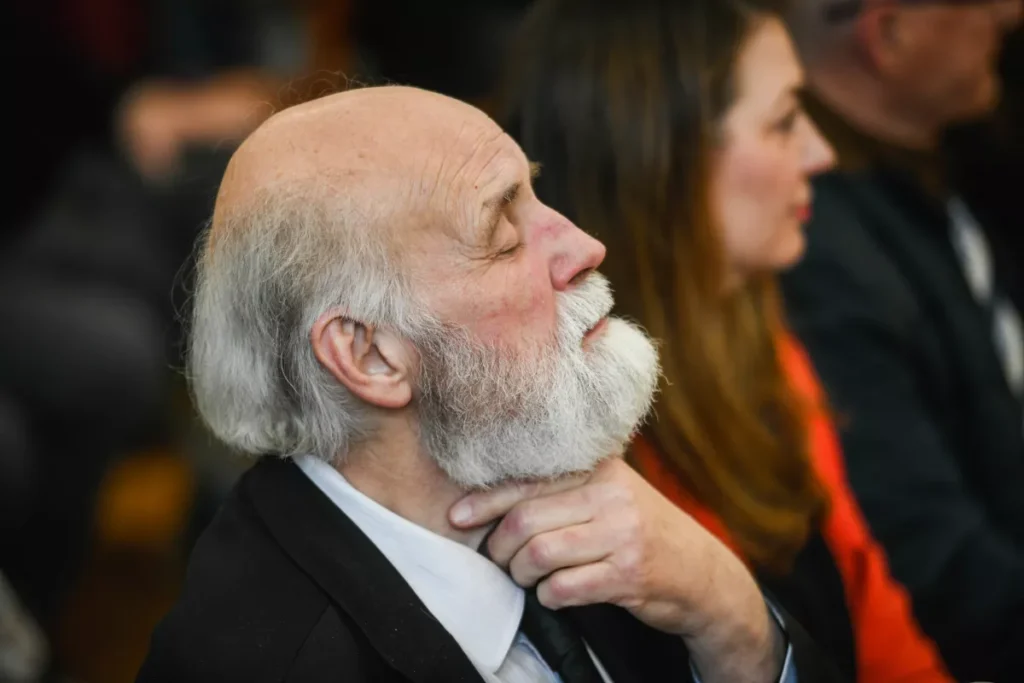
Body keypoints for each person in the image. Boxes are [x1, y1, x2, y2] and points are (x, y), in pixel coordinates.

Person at [136, 85, 849, 683]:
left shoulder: (555, 461)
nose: (585, 245)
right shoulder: (269, 660)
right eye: (504, 237)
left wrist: (729, 614)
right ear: (370, 355)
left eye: (536, 196)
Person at [499, 1, 951, 682]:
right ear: (665, 156)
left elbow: (874, 612)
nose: (820, 154)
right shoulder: (577, 430)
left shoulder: (759, 337)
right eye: (784, 121)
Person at [777, 1, 1024, 680]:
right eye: (978, 2)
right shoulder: (815, 246)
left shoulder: (950, 156)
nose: (1009, 14)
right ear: (888, 33)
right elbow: (934, 566)